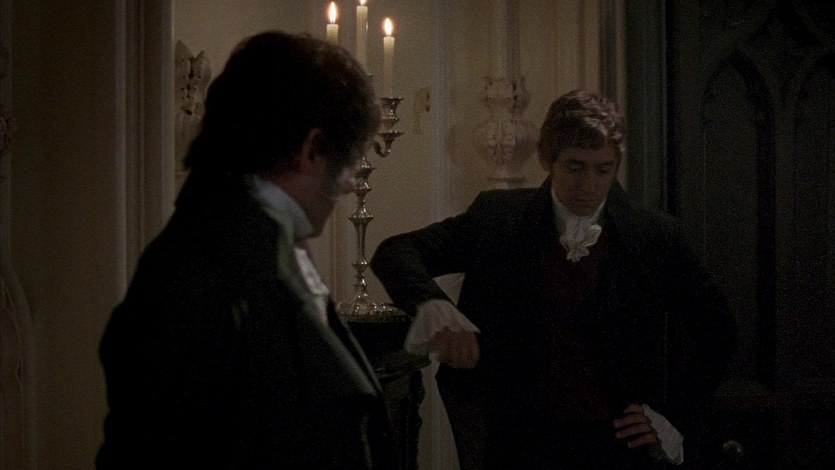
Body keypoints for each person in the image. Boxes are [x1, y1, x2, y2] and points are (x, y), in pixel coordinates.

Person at [370, 89, 737, 469]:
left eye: (603, 170)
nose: (589, 185)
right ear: (547, 158)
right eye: (575, 168)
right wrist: (436, 308)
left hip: (619, 444)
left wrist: (673, 416)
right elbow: (397, 252)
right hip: (519, 439)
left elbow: (719, 331)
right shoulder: (499, 219)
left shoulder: (654, 235)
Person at [97, 31, 398, 469]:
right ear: (310, 150)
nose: (352, 183)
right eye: (351, 162)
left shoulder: (246, 241)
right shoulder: (210, 271)